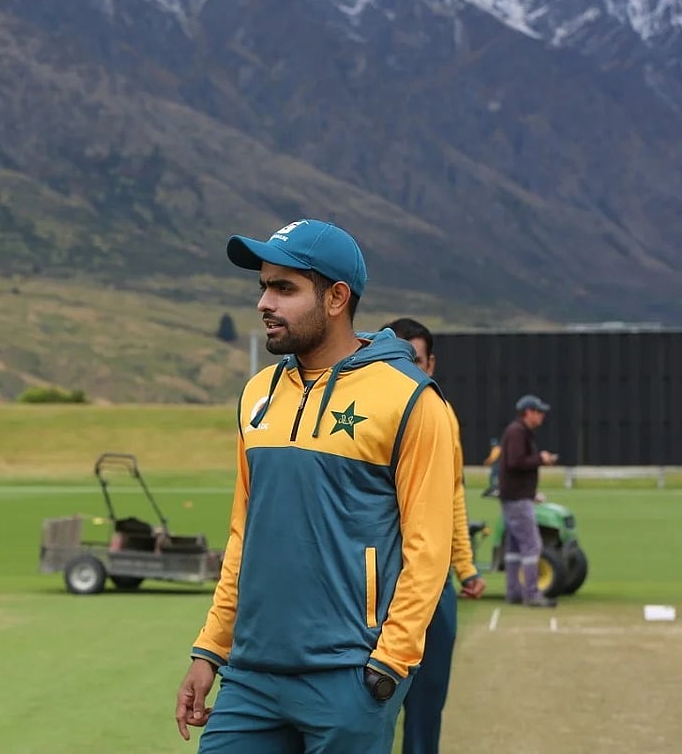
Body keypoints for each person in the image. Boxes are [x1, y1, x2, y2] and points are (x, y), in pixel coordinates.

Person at [174, 219, 455, 753]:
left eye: (285, 288)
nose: (264, 303)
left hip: (349, 677)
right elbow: (243, 535)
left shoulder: (412, 400)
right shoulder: (257, 394)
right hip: (251, 679)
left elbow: (428, 550)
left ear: (336, 298)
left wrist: (389, 665)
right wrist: (209, 650)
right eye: (263, 286)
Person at [383, 317, 486, 754]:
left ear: (431, 365)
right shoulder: (365, 414)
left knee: (426, 710)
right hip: (376, 582)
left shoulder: (442, 415)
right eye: (397, 361)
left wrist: (464, 567)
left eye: (416, 361)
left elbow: (454, 497)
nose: (407, 372)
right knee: (364, 708)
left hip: (434, 582)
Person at [498, 394, 559, 608]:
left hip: (513, 496)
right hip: (517, 500)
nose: (542, 416)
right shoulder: (518, 432)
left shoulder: (517, 431)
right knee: (532, 546)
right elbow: (516, 462)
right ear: (529, 412)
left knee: (515, 547)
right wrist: (540, 459)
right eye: (539, 412)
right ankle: (531, 594)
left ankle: (514, 591)